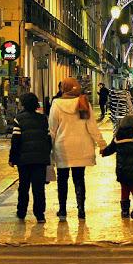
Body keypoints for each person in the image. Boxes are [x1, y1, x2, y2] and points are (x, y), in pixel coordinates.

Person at [49, 77, 106, 221]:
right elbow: (91, 126)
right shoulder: (82, 102)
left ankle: (62, 211)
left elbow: (52, 129)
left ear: (63, 88)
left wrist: (49, 148)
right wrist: (102, 143)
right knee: (79, 179)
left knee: (63, 179)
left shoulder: (56, 104)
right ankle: (81, 210)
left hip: (63, 148)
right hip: (81, 147)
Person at [9, 93, 52, 223]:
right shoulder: (43, 119)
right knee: (39, 188)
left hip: (24, 160)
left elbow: (15, 140)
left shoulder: (19, 119)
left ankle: (21, 212)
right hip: (40, 159)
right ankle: (40, 215)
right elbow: (48, 139)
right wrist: (45, 153)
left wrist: (12, 158)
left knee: (24, 186)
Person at [100, 115, 133, 219]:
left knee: (125, 189)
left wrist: (104, 152)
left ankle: (125, 212)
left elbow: (110, 149)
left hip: (122, 170)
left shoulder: (118, 138)